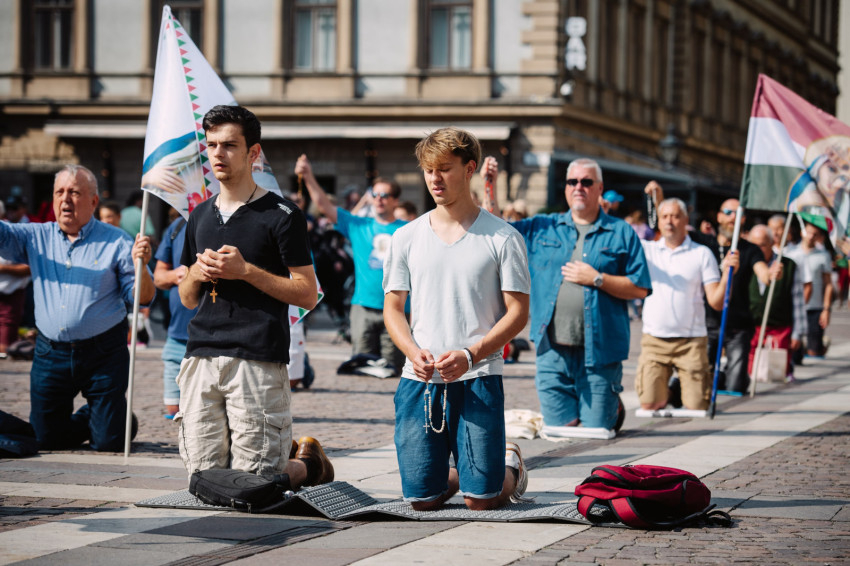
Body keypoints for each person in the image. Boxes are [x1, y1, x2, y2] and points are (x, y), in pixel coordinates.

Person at [177, 105, 332, 488]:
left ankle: (308, 466)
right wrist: (197, 272)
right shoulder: (199, 215)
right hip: (200, 356)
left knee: (254, 484)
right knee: (204, 480)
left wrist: (245, 271)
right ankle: (288, 461)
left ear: (253, 152)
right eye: (212, 145)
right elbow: (187, 298)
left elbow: (307, 294)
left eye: (229, 145)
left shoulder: (282, 214)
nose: (218, 154)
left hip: (258, 356)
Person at [383, 126, 531, 511]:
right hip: (421, 380)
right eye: (429, 170)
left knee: (481, 501)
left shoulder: (503, 237)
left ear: (469, 169)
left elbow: (518, 313)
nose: (435, 178)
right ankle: (461, 473)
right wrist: (411, 351)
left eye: (444, 169)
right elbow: (393, 308)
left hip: (479, 376)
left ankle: (508, 467)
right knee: (422, 501)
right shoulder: (406, 237)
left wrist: (471, 354)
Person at [483, 157, 651, 432]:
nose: (578, 187)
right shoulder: (543, 226)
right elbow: (496, 230)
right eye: (573, 181)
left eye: (586, 182)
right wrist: (490, 186)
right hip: (552, 350)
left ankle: (610, 405)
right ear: (566, 188)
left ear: (599, 188)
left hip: (600, 352)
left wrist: (598, 279)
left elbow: (640, 287)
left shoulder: (621, 231)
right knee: (560, 430)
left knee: (596, 431)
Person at [0, 164, 155, 450]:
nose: (65, 199)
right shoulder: (35, 235)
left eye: (74, 192)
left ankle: (113, 420)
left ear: (93, 201)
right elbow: (3, 235)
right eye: (59, 192)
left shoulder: (117, 241)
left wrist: (142, 267)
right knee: (46, 440)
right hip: (50, 352)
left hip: (103, 352)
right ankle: (101, 417)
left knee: (108, 443)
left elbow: (142, 298)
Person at [295, 156, 407, 372]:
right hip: (363, 306)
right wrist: (308, 176)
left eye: (385, 195)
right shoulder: (358, 225)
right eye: (375, 194)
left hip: (397, 308)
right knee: (362, 367)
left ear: (395, 200)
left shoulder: (408, 229)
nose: (379, 199)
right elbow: (324, 206)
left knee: (394, 369)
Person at [635, 196, 737, 411]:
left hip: (691, 342)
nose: (669, 221)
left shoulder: (702, 253)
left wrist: (727, 275)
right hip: (654, 340)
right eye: (664, 216)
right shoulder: (646, 250)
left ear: (686, 220)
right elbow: (619, 239)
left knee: (698, 406)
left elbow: (716, 303)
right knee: (650, 404)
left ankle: (680, 388)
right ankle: (670, 391)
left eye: (675, 216)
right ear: (659, 221)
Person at [746, 224, 805, 380]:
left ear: (772, 243)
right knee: (751, 374)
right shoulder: (745, 263)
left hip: (780, 329)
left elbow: (797, 300)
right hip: (751, 329)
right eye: (754, 245)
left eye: (762, 245)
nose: (758, 250)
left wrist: (798, 333)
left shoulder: (788, 265)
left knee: (776, 375)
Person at [153, 214, 197, 418]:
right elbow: (159, 277)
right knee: (173, 409)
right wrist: (175, 275)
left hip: (217, 340)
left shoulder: (230, 222)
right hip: (177, 335)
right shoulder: (177, 227)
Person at [791, 217, 834, 358]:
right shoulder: (791, 252)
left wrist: (826, 309)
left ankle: (819, 347)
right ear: (802, 232)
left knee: (813, 351)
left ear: (819, 237)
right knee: (793, 350)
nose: (810, 236)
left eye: (815, 234)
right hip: (794, 306)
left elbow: (828, 284)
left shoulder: (824, 255)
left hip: (815, 307)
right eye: (808, 232)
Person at [0, 200, 31, 358]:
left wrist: (3, 269)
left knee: (4, 348)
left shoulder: (16, 233)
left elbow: (28, 268)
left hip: (11, 295)